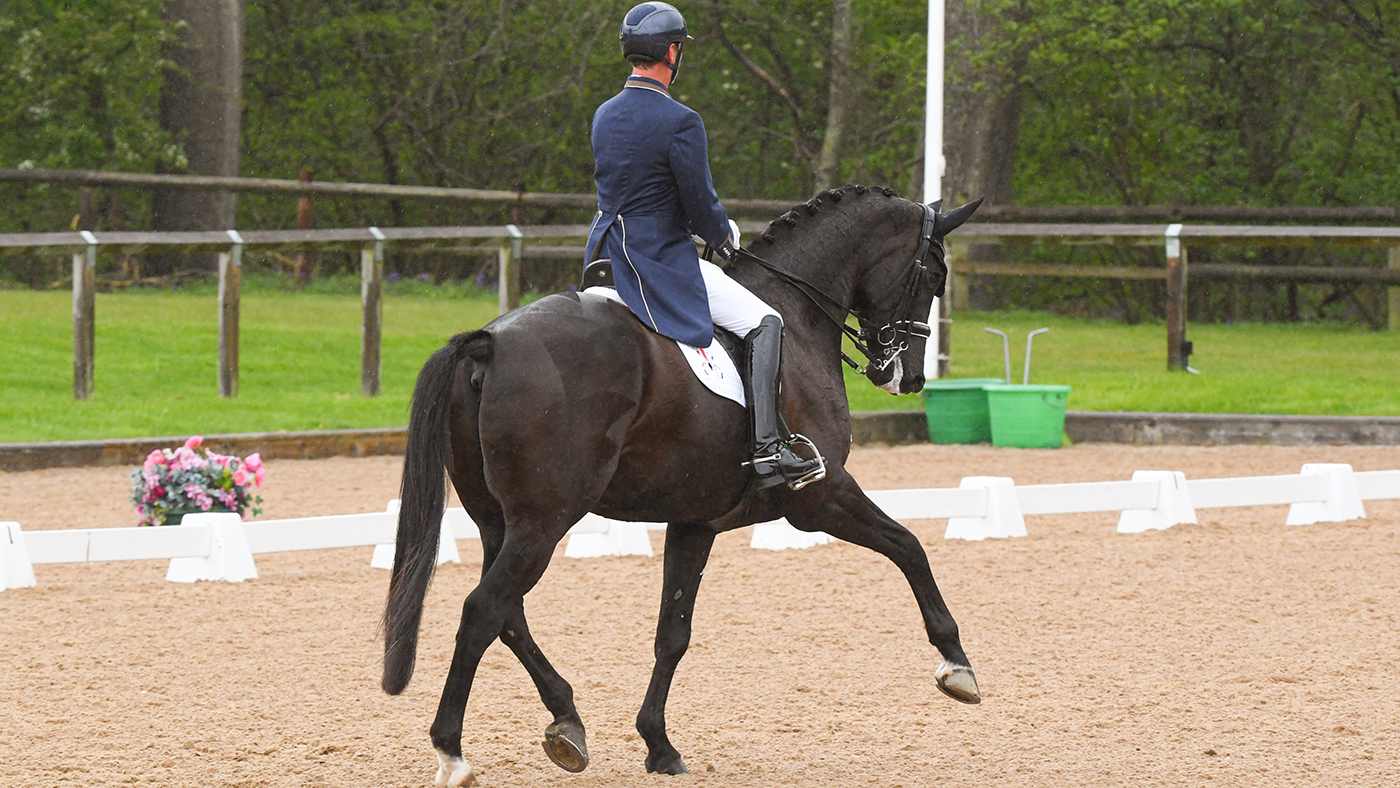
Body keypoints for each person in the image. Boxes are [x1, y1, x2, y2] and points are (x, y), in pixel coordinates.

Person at [584, 2, 824, 491]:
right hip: (658, 261)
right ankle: (766, 449)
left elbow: (634, 190)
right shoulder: (680, 121)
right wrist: (722, 235)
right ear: (672, 52)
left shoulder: (605, 114)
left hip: (607, 251)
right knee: (766, 321)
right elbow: (698, 202)